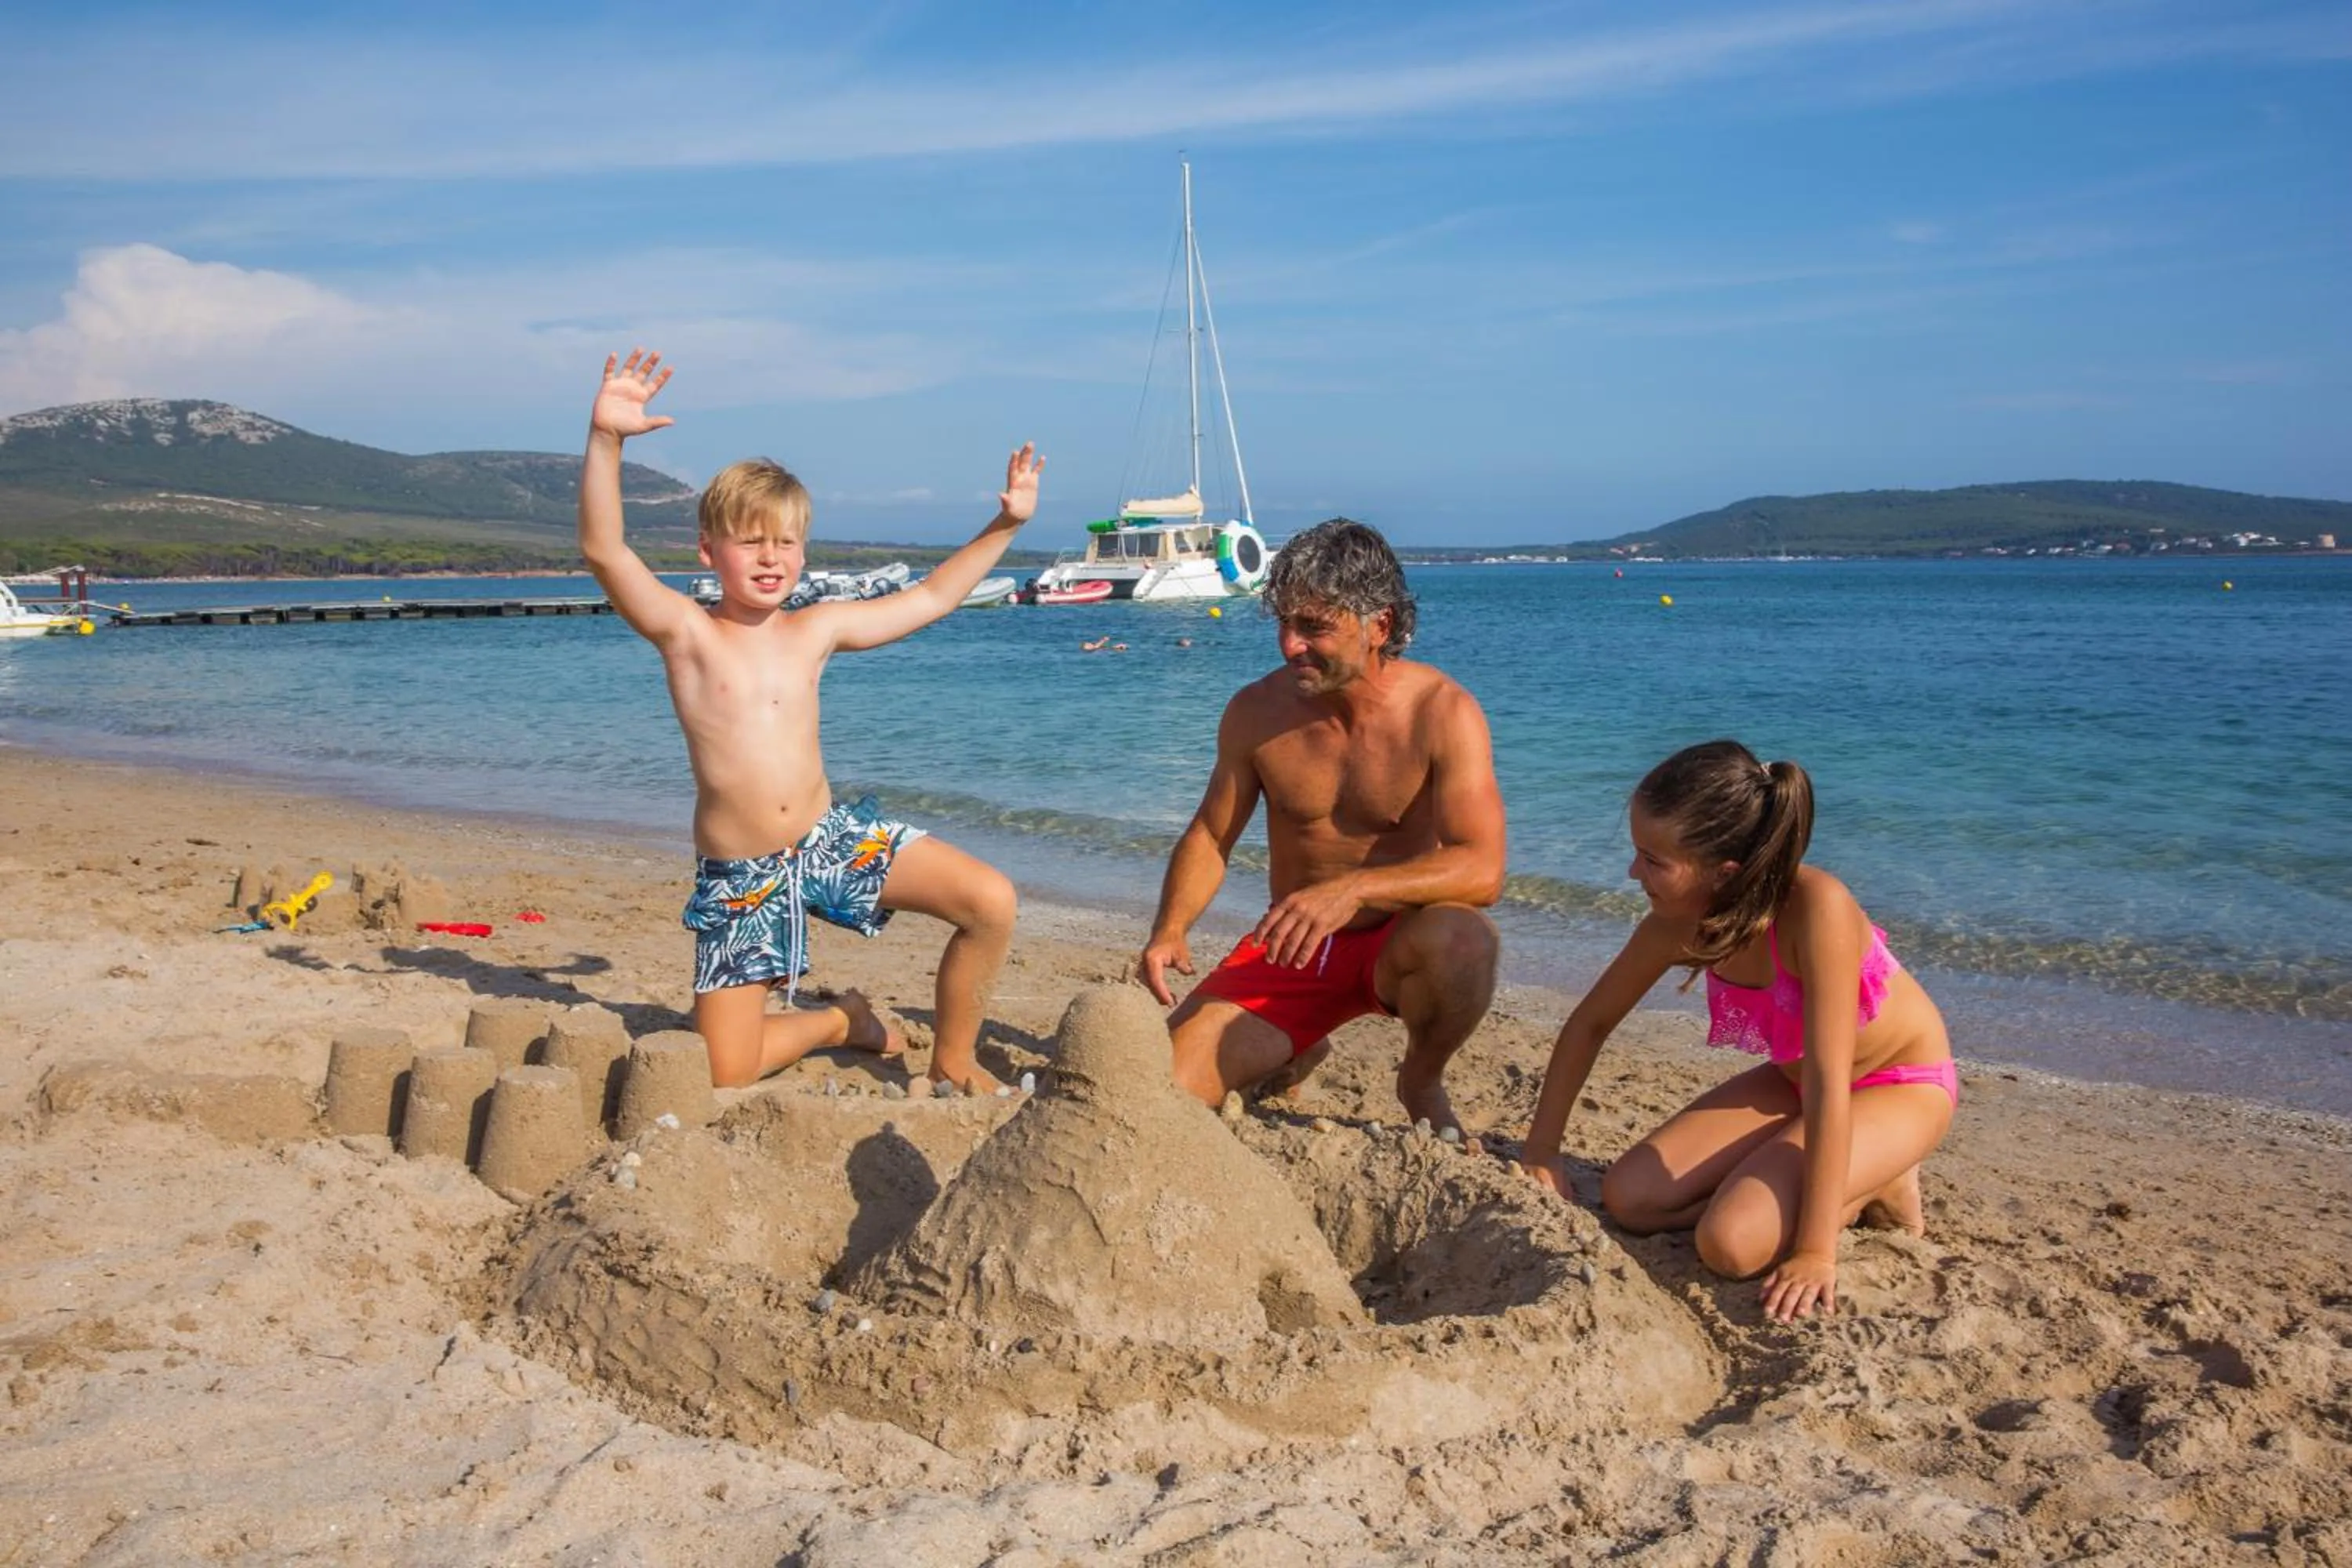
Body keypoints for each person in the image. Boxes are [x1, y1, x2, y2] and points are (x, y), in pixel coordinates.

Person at [577, 349, 1042, 1094]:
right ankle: (841, 1021)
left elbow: (929, 599)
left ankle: (953, 1061)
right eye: (750, 540)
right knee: (725, 1073)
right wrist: (607, 440)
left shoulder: (816, 629)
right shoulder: (686, 632)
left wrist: (1004, 525)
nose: (771, 557)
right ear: (708, 550)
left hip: (831, 843)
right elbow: (603, 550)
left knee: (991, 901)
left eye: (786, 542)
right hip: (744, 879)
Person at [1517, 739, 1957, 1322]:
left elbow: (1830, 1080)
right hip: (1795, 1086)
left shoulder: (1817, 907)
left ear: (1724, 873)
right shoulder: (1676, 923)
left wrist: (1816, 1250)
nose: (1631, 871)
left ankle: (1880, 1180)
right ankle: (1821, 1178)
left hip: (1896, 1086)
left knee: (1729, 1244)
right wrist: (1542, 1150)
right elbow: (1589, 1024)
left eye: (1653, 860)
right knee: (1631, 1199)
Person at [1136, 519, 1506, 1133]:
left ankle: (1420, 1078)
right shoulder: (1256, 712)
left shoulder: (1443, 712)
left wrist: (1353, 889)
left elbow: (1482, 868)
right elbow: (1211, 834)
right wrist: (1170, 929)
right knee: (1166, 1091)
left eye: (1313, 627)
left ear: (1378, 626)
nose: (1288, 645)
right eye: (1283, 622)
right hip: (1297, 949)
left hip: (1401, 943)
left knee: (1466, 939)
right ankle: (1298, 1046)